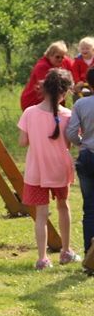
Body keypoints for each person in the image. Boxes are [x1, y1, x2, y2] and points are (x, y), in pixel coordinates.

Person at [18, 68, 80, 270]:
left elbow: (22, 142)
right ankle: (66, 251)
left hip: (36, 171)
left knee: (41, 214)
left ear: (43, 88)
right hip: (60, 170)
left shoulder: (29, 113)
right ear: (65, 92)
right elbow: (71, 142)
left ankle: (42, 259)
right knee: (63, 207)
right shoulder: (69, 115)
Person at [65, 66, 94, 274]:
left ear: (89, 84)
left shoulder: (81, 104)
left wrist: (82, 142)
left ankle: (89, 258)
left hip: (87, 156)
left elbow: (71, 132)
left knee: (90, 209)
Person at [20, 41, 74, 110]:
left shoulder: (63, 60)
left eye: (62, 57)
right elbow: (50, 89)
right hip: (33, 101)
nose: (60, 59)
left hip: (52, 102)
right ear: (49, 55)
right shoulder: (42, 67)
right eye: (57, 57)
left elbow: (74, 68)